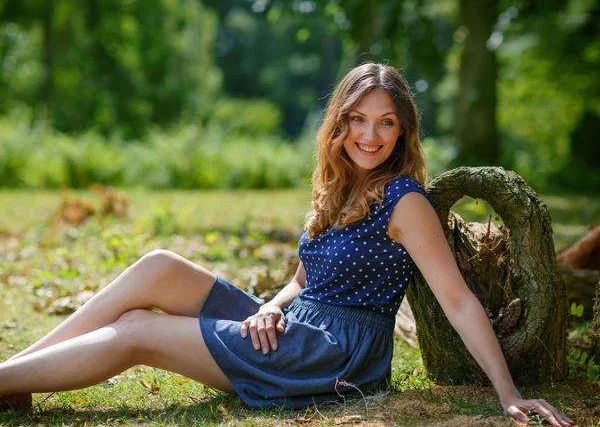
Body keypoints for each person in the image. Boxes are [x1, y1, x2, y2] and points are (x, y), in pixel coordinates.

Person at [0, 63, 573, 426]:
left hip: (337, 354)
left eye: (386, 123)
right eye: (357, 120)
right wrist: (270, 309)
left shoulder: (404, 200)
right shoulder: (337, 186)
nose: (369, 136)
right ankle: (16, 375)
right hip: (297, 323)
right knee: (157, 267)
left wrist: (507, 393)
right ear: (339, 122)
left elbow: (456, 300)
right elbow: (302, 280)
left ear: (403, 132)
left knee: (138, 331)